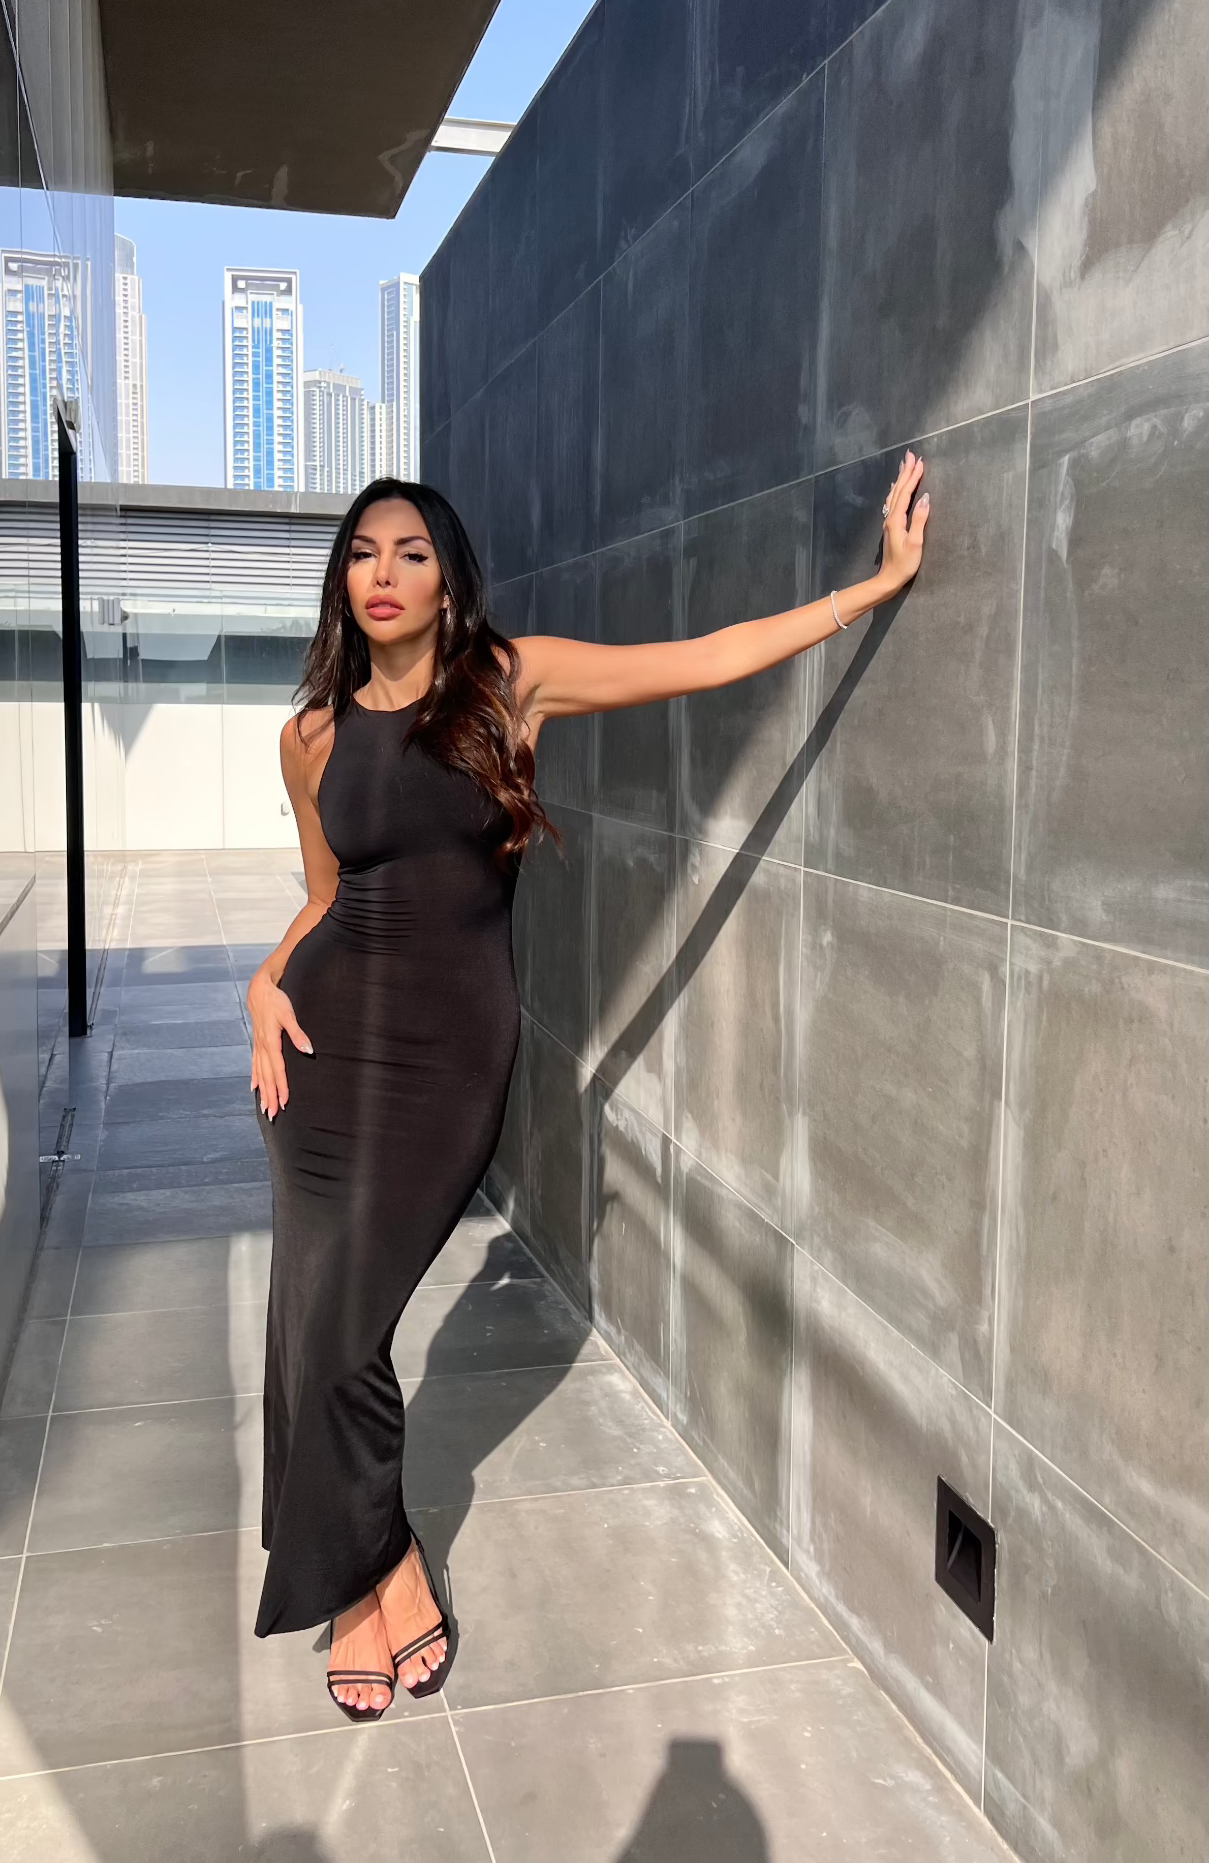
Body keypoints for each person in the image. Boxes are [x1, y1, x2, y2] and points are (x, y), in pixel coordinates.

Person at [246, 455, 930, 1716]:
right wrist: (260, 981)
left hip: (451, 1055)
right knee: (322, 1326)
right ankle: (372, 1575)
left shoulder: (511, 682)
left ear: (448, 581)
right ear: (340, 585)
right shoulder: (310, 738)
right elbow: (325, 899)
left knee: (339, 1328)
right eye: (362, 554)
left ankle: (368, 1558)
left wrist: (871, 588)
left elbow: (706, 657)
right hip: (322, 1051)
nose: (384, 573)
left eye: (410, 553)